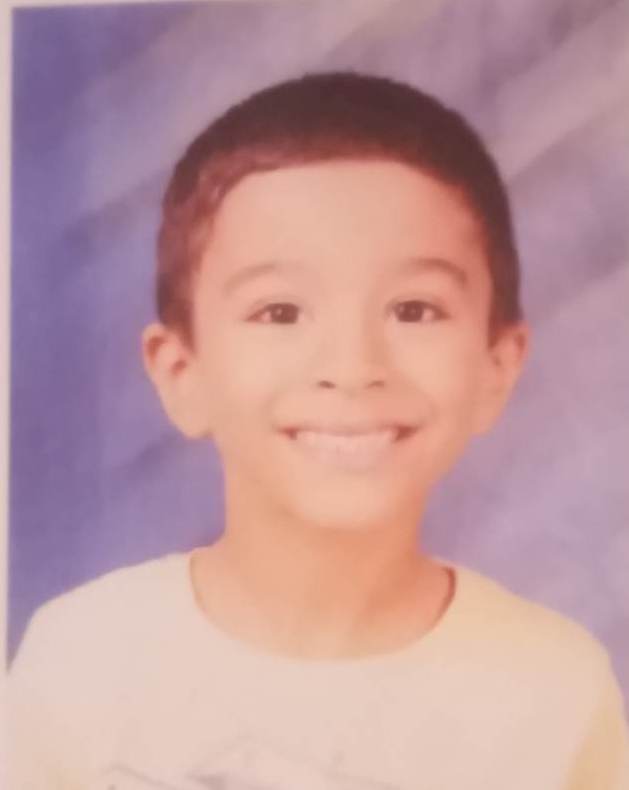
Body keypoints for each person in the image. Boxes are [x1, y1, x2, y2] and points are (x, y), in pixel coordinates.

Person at [8, 72, 628, 790]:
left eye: (414, 310)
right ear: (182, 372)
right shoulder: (80, 662)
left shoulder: (555, 693)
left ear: (497, 366)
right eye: (279, 313)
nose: (352, 367)